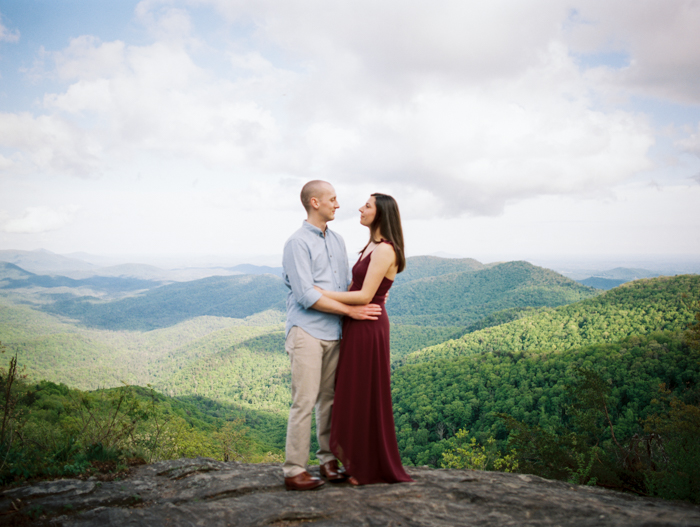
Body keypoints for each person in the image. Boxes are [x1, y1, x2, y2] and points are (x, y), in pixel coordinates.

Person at [281, 180, 383, 491]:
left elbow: (347, 287)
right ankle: (294, 470)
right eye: (332, 199)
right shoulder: (297, 243)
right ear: (315, 202)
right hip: (307, 332)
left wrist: (375, 296)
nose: (337, 205)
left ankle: (327, 460)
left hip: (335, 333)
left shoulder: (337, 241)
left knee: (330, 401)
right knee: (305, 401)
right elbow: (306, 295)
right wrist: (350, 312)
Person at [314, 193, 413, 485]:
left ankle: (368, 469)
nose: (360, 208)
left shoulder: (384, 250)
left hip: (368, 326)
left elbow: (364, 296)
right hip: (358, 323)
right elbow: (360, 286)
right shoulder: (371, 244)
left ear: (381, 214)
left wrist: (318, 293)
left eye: (367, 205)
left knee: (365, 394)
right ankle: (359, 462)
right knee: (354, 393)